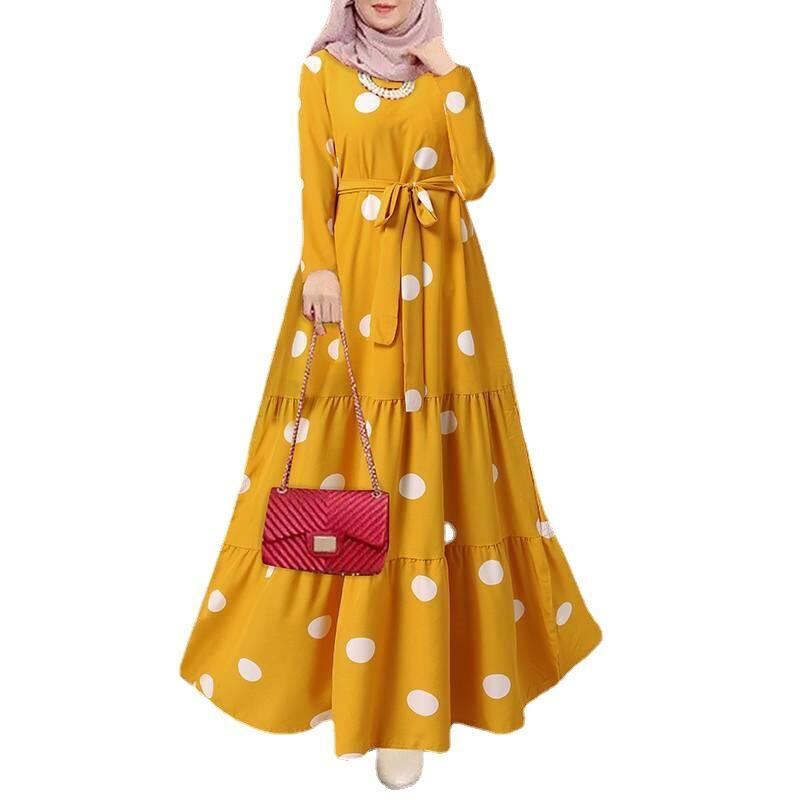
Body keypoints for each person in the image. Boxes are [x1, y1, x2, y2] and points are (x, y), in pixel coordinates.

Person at [181, 0, 601, 789]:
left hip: (446, 297)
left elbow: (476, 178)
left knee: (438, 473)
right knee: (342, 466)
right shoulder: (321, 72)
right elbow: (316, 179)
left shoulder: (445, 76)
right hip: (353, 285)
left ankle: (412, 704)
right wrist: (320, 269)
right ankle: (336, 684)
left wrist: (452, 73)